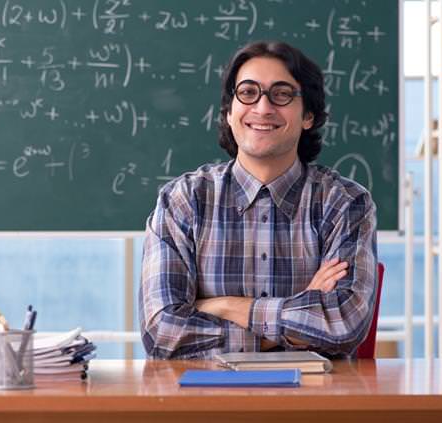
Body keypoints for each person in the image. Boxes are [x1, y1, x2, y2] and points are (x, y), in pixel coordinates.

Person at [139, 40, 377, 359]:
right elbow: (163, 332)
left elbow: (343, 324)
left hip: (314, 403)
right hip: (202, 402)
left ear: (308, 115)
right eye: (248, 93)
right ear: (229, 111)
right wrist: (299, 314)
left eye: (281, 94)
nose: (263, 108)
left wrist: (223, 306)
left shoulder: (345, 203)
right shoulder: (182, 201)